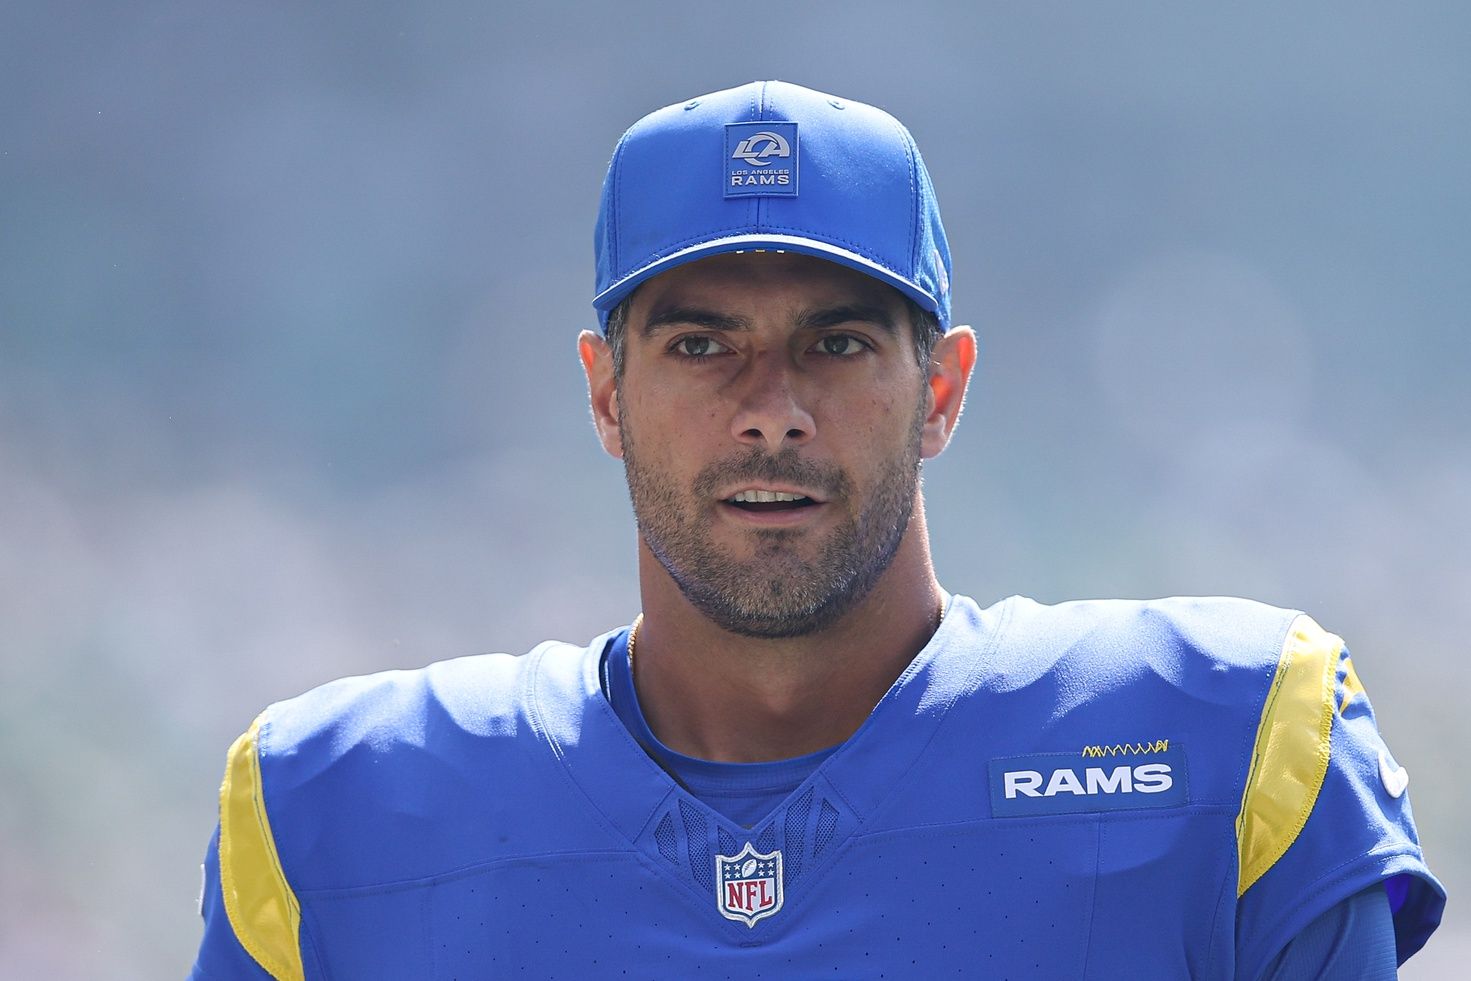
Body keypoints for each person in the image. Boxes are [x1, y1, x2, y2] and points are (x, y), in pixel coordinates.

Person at [191, 80, 1443, 979]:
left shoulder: (1225, 743)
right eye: (700, 346)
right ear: (604, 391)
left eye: (835, 344)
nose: (769, 414)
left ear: (940, 389)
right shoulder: (339, 811)